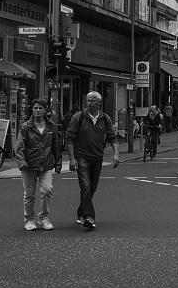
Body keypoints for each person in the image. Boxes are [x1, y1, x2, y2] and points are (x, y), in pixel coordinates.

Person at [64, 91, 119, 231]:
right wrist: (72, 159)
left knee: (92, 187)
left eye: (92, 101)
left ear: (99, 103)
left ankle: (81, 211)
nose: (89, 103)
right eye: (87, 100)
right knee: (86, 185)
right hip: (82, 156)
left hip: (97, 157)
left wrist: (116, 154)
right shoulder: (78, 117)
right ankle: (89, 217)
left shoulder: (105, 118)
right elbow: (69, 138)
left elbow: (112, 137)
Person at [16, 98, 61, 231]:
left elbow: (56, 146)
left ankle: (43, 218)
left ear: (45, 110)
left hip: (46, 164)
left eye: (40, 108)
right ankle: (29, 219)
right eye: (35, 108)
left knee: (47, 190)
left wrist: (58, 163)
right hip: (29, 164)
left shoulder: (51, 126)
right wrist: (21, 162)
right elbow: (19, 146)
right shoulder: (26, 126)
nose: (37, 110)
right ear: (32, 109)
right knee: (29, 194)